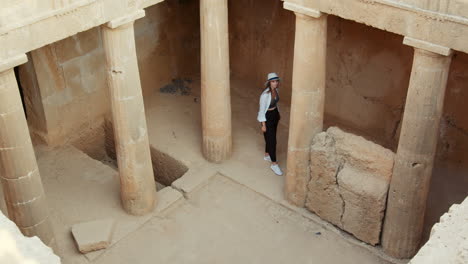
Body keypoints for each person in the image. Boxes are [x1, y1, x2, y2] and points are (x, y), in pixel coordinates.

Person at [258, 73, 283, 176]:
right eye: (273, 81)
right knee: (272, 140)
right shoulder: (264, 95)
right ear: (269, 83)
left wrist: (278, 114)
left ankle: (267, 154)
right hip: (267, 117)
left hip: (274, 115)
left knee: (270, 137)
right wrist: (263, 124)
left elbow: (275, 104)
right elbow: (261, 111)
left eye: (276, 81)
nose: (275, 83)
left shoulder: (276, 90)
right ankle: (274, 163)